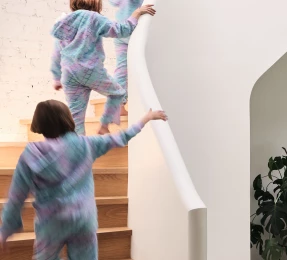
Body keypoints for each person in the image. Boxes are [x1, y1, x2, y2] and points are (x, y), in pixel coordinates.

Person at [0, 100, 167, 259]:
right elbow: (121, 137)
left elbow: (17, 196)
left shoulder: (31, 154)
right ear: (67, 119)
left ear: (39, 123)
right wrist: (146, 118)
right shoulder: (86, 145)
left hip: (51, 223)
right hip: (84, 219)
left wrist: (6, 230)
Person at [50, 0, 156, 135]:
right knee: (118, 93)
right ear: (96, 3)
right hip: (90, 71)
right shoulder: (94, 18)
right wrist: (136, 14)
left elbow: (56, 52)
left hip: (69, 74)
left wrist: (56, 77)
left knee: (76, 118)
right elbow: (121, 30)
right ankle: (104, 125)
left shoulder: (64, 22)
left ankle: (78, 151)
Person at [108, 0, 145, 107]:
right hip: (135, 29)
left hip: (121, 30)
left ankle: (118, 104)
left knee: (121, 69)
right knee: (144, 64)